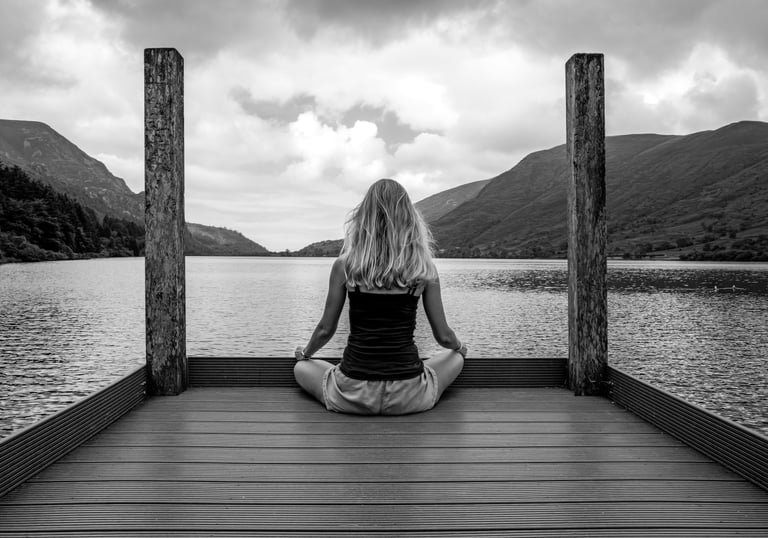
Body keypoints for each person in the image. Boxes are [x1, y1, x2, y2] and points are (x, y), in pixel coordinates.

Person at [293, 178, 466, 415]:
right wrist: (461, 348)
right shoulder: (423, 269)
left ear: (364, 219)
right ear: (409, 219)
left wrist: (305, 353)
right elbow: (444, 337)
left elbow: (325, 329)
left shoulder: (345, 266)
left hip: (352, 393)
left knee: (302, 367)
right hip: (409, 395)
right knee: (454, 357)